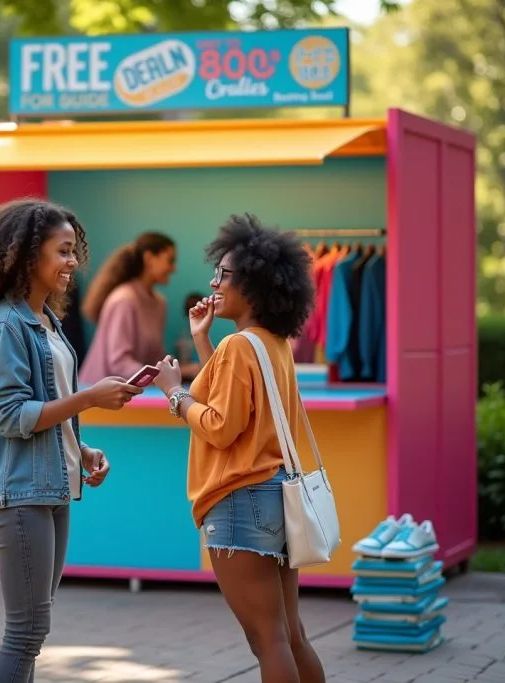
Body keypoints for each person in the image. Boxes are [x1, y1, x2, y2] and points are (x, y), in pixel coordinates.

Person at [0, 198, 143, 682]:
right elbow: (10, 415)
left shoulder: (47, 322)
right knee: (25, 633)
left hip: (49, 489)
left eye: (74, 251)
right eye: (62, 251)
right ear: (26, 255)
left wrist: (81, 450)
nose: (73, 261)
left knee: (32, 634)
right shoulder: (5, 325)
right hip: (19, 493)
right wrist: (89, 399)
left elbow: (45, 408)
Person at [153, 213, 326, 683]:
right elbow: (235, 401)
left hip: (238, 500)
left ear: (253, 283)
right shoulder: (271, 343)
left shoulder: (239, 347)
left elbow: (220, 426)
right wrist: (202, 339)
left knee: (267, 639)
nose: (213, 283)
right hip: (274, 497)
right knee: (290, 635)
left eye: (223, 274)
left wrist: (174, 393)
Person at [79, 232, 177, 384]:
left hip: (132, 392)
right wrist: (160, 377)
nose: (173, 269)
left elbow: (154, 359)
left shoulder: (160, 303)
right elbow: (119, 363)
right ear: (149, 258)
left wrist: (181, 370)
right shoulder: (123, 300)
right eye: (170, 261)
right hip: (98, 393)